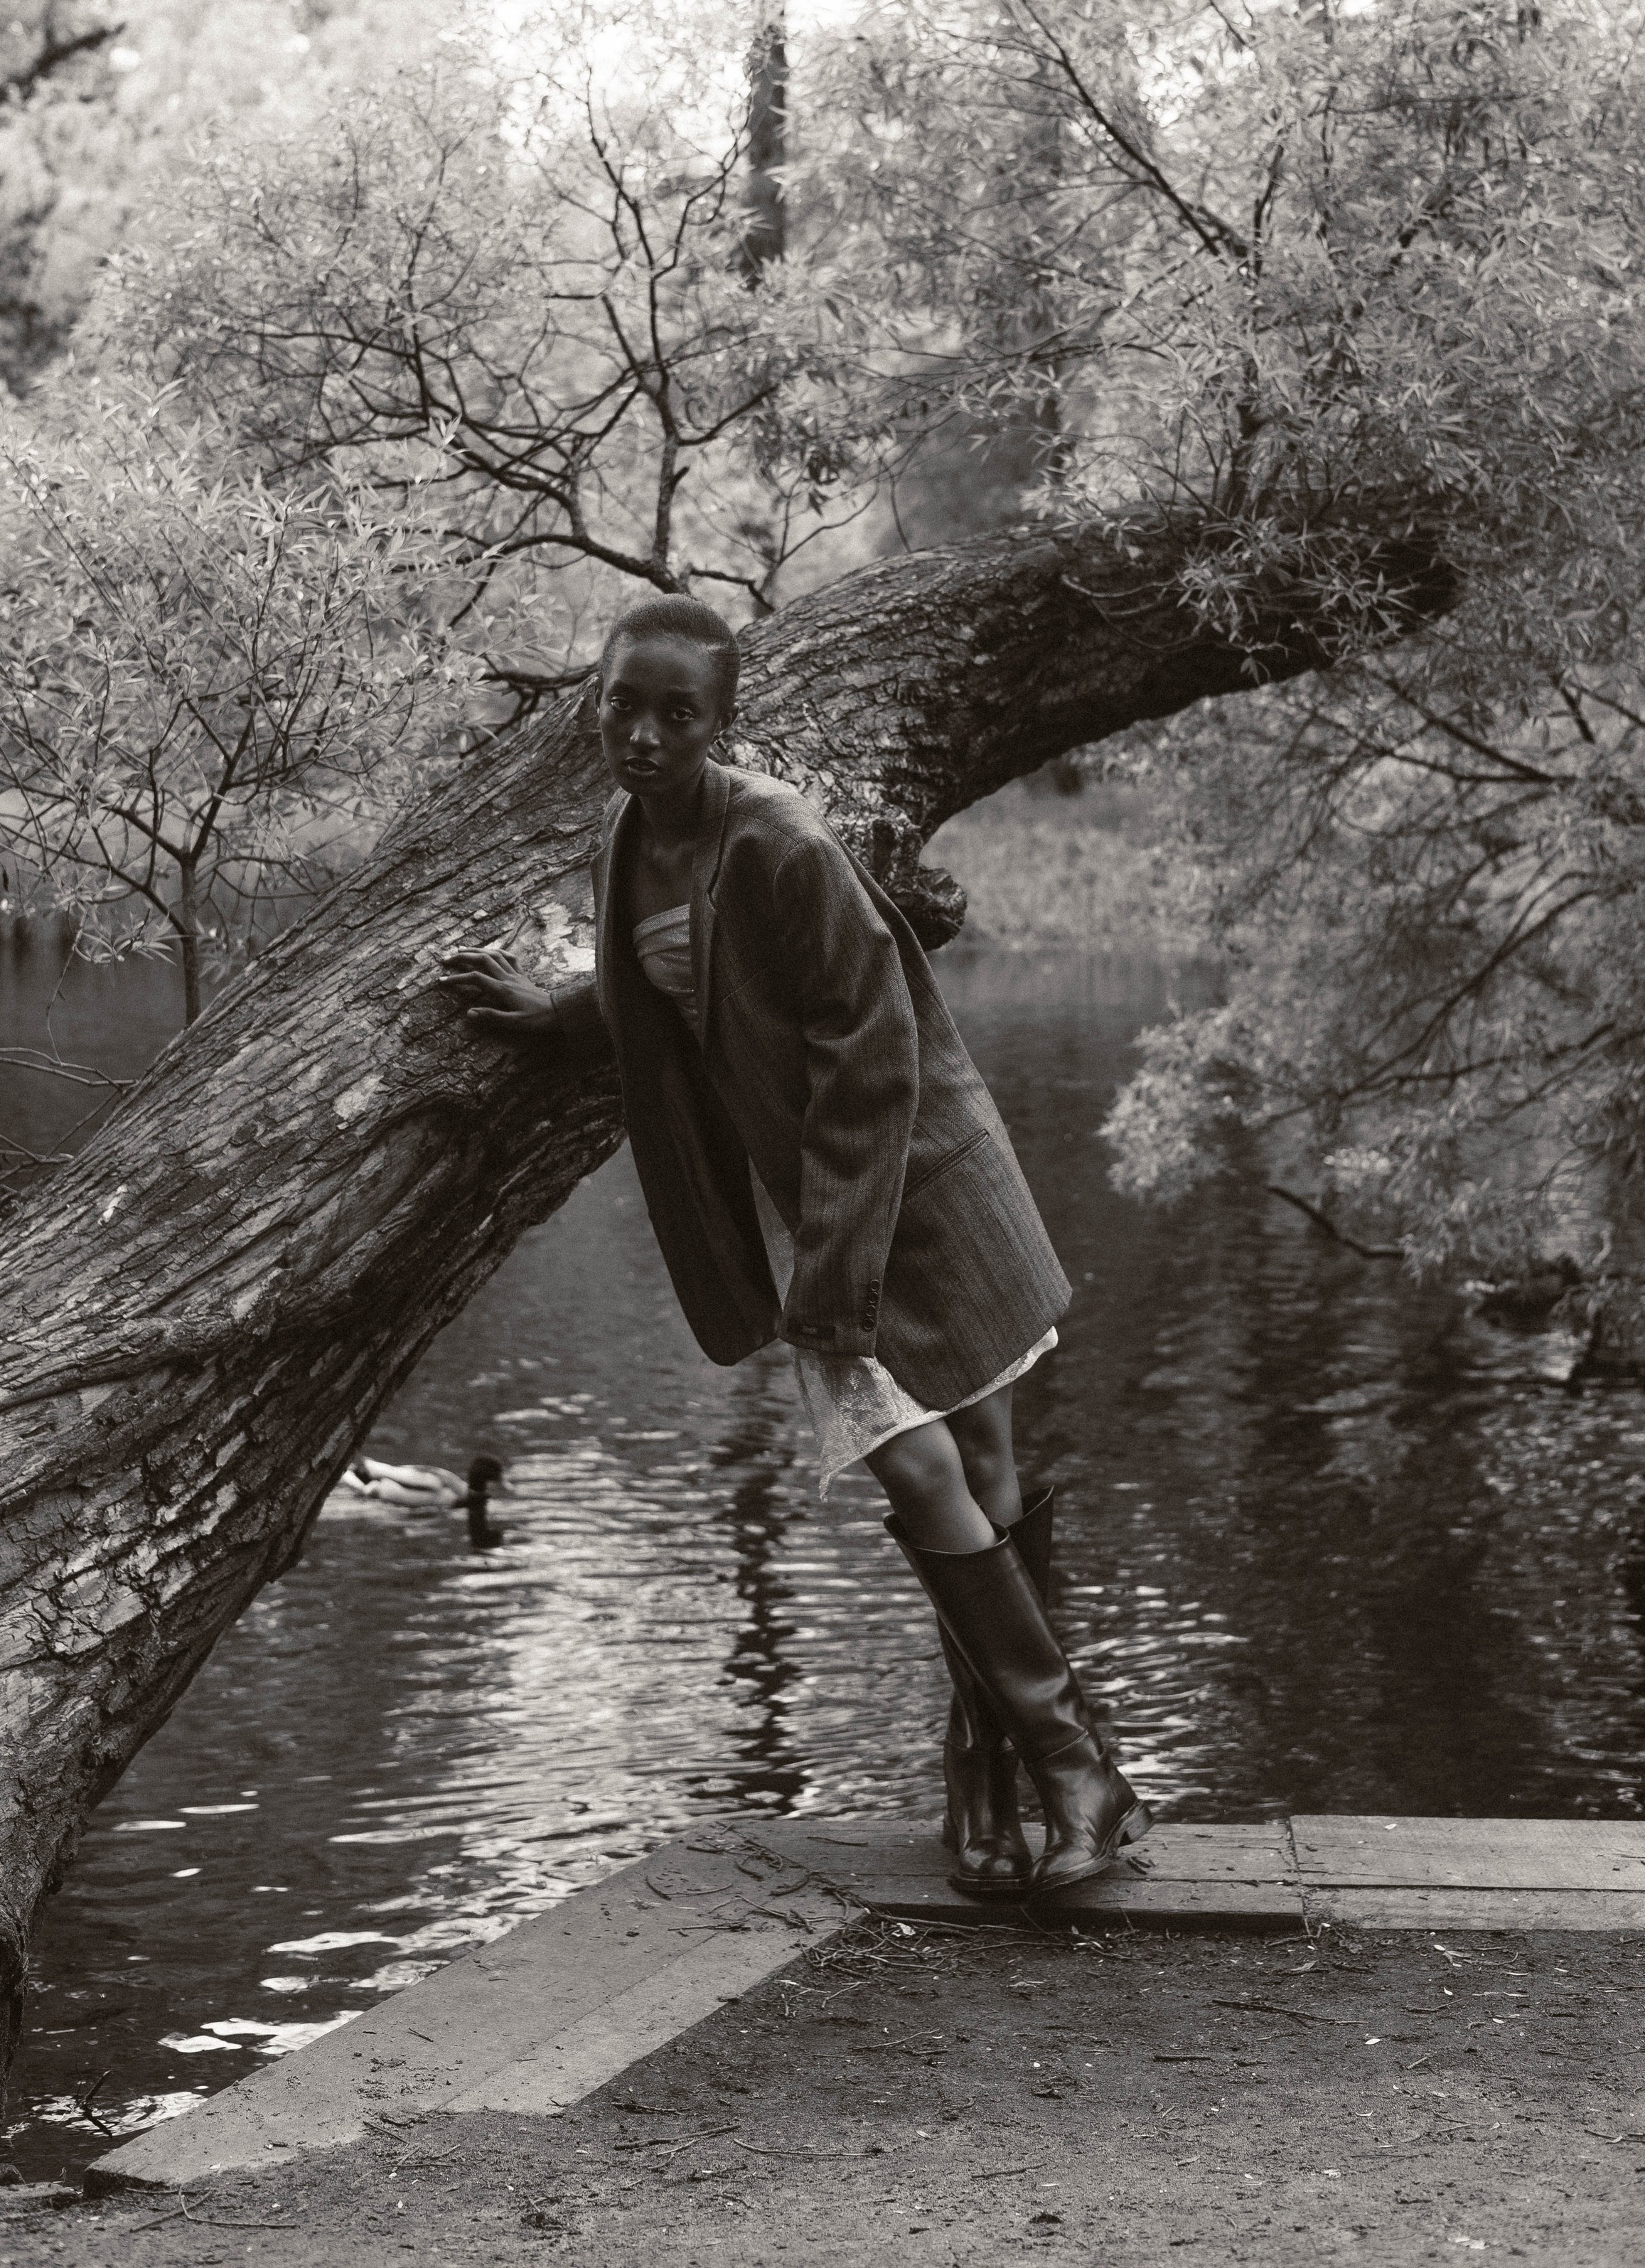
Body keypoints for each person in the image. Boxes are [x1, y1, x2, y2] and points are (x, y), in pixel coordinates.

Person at [439, 592, 1147, 1898]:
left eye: (678, 714)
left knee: (944, 1469)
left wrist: (836, 1270)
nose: (644, 735)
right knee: (966, 1478)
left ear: (723, 722)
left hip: (914, 1177)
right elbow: (679, 971)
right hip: (834, 1182)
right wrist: (561, 1015)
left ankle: (1060, 1765)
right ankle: (998, 1785)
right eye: (624, 705)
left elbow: (874, 1057)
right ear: (595, 702)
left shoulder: (780, 839)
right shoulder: (628, 833)